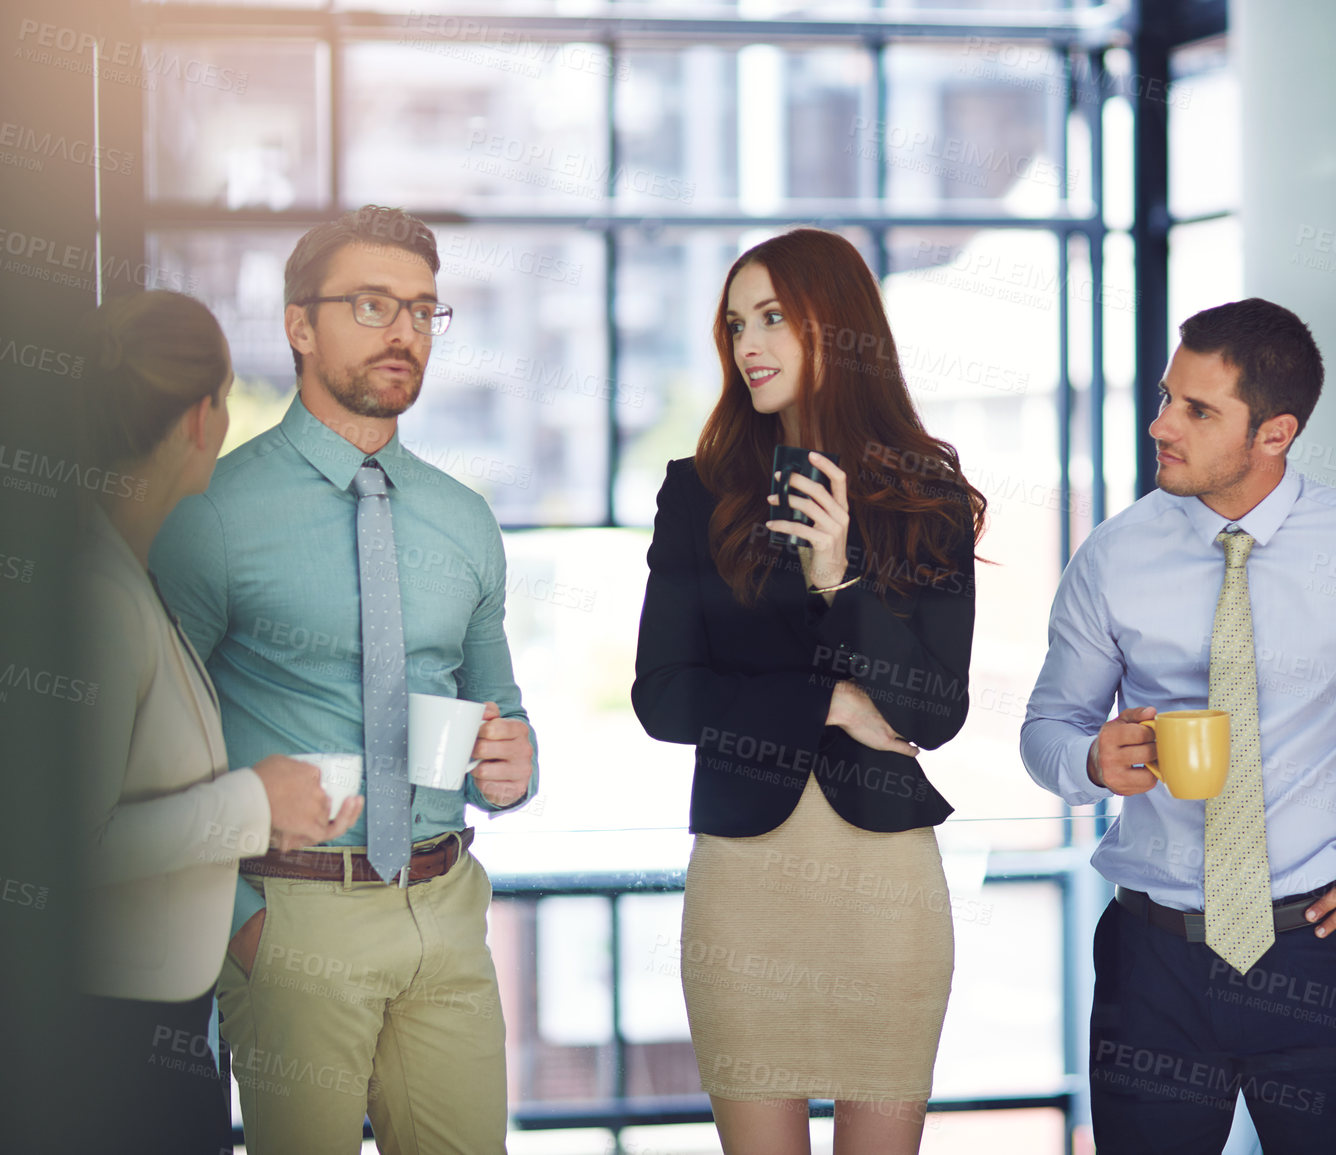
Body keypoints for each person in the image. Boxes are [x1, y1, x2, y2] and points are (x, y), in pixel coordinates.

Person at [1021, 298, 1336, 1154]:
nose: (1161, 424)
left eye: (1198, 410)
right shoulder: (1114, 555)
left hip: (1320, 952)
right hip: (1149, 961)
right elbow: (1047, 725)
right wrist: (1090, 758)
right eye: (1166, 397)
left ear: (1274, 433)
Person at [151, 206, 539, 1155]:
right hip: (294, 918)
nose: (403, 330)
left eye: (422, 310)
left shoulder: (463, 518)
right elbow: (148, 749)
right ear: (299, 324)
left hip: (446, 910)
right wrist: (248, 928)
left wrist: (516, 764)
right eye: (371, 305)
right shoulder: (212, 515)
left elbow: (506, 717)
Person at [632, 228, 985, 1155]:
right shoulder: (695, 493)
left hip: (885, 886)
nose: (748, 344)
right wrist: (828, 704)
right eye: (736, 323)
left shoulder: (930, 496)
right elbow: (664, 696)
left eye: (775, 318)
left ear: (839, 327)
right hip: (743, 884)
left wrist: (838, 575)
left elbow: (932, 712)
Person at [73, 290, 362, 1154]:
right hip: (110, 1043)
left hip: (152, 1024)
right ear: (206, 416)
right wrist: (252, 802)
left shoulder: (122, 573)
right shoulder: (94, 596)